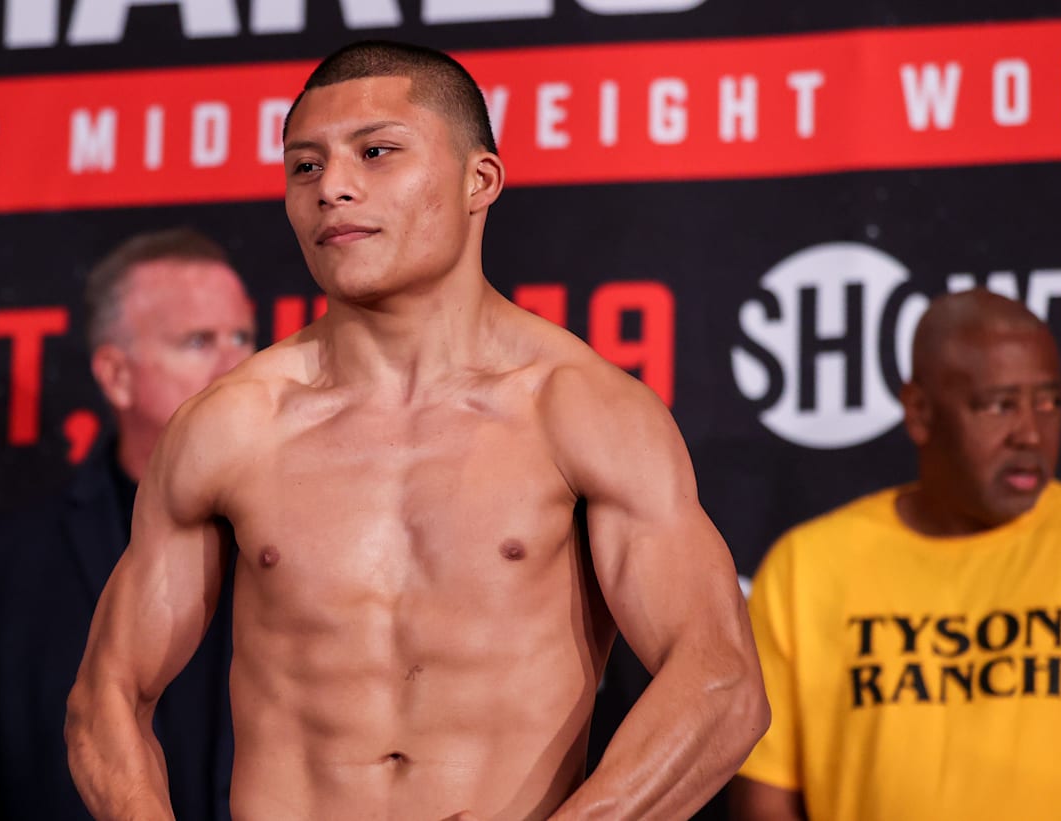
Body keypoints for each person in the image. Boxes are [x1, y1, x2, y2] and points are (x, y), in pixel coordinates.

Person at [65, 41, 768, 820]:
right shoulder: (232, 426)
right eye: (305, 166)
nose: (333, 186)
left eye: (376, 152)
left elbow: (720, 683)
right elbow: (106, 695)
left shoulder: (580, 411)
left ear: (480, 180)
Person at [0, 228, 255, 821]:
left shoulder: (310, 542)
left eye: (242, 336)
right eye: (198, 341)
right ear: (116, 375)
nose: (236, 365)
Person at [730, 289, 1061, 821]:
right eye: (999, 405)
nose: (1031, 433)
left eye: (1049, 402)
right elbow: (766, 800)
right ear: (919, 412)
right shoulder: (809, 569)